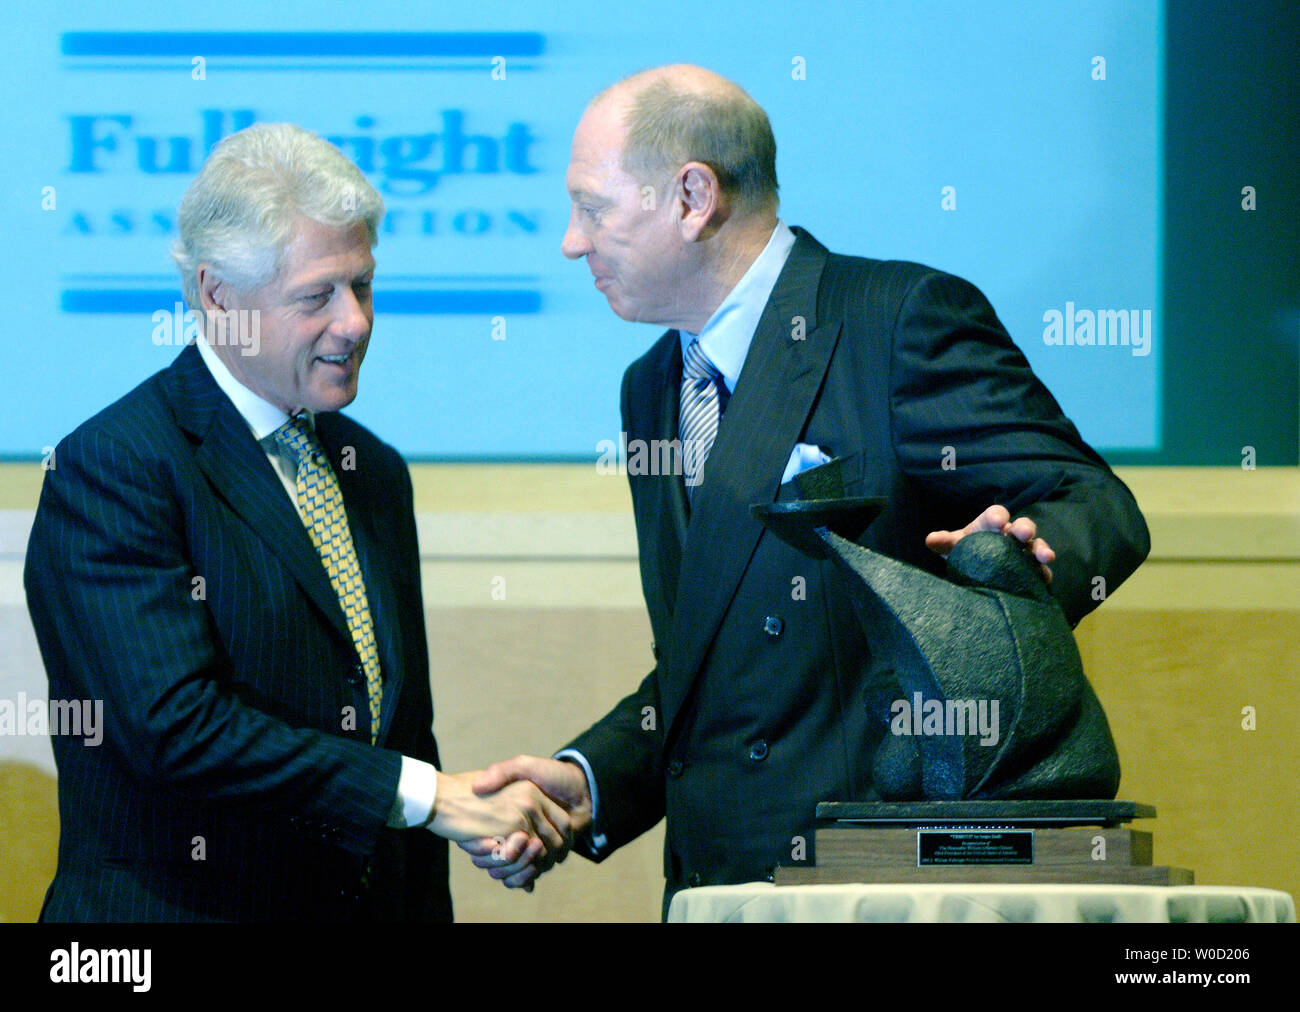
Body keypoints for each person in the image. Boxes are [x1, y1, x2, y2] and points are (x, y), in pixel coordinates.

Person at [465, 65, 1150, 912]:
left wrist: (1022, 572)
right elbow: (715, 664)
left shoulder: (897, 320)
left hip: (876, 886)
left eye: (593, 209)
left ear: (691, 197)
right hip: (718, 891)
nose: (572, 241)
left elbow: (1098, 505)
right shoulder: (651, 386)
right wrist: (590, 781)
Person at [23, 123, 569, 922]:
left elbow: (395, 726)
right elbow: (174, 730)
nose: (354, 323)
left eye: (364, 286)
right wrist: (427, 798)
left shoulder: (372, 470)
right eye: (317, 296)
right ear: (219, 296)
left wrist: (460, 826)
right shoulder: (115, 466)